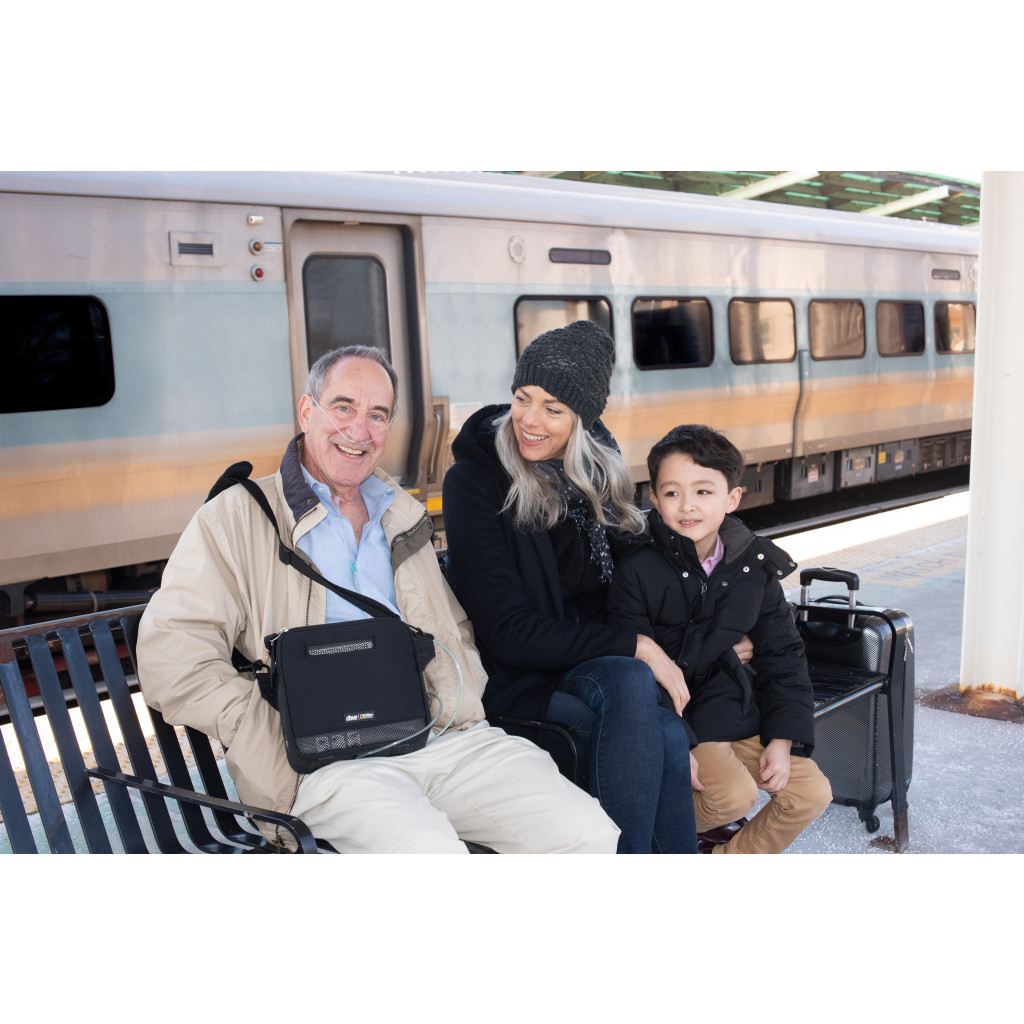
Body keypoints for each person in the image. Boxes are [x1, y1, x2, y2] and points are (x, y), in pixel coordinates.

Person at [137, 345, 619, 854]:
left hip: (442, 740)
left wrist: (457, 699)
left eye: (377, 415)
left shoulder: (400, 515)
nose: (359, 430)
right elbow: (171, 656)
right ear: (307, 412)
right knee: (433, 855)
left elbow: (453, 630)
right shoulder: (236, 517)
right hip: (327, 768)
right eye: (343, 407)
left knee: (589, 836)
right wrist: (267, 724)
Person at [442, 320, 701, 854]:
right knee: (638, 689)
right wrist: (635, 646)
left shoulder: (595, 473)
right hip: (519, 677)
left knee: (660, 719)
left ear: (582, 419)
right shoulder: (476, 481)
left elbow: (643, 586)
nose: (529, 420)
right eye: (522, 398)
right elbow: (508, 633)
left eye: (553, 409)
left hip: (595, 670)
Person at [607, 424, 833, 854]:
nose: (687, 505)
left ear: (732, 499)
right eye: (672, 493)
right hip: (679, 718)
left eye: (704, 492)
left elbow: (784, 654)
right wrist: (676, 744)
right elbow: (633, 667)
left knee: (810, 794)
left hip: (736, 709)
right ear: (653, 498)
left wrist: (782, 739)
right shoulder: (635, 570)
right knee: (732, 797)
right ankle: (638, 835)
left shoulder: (754, 567)